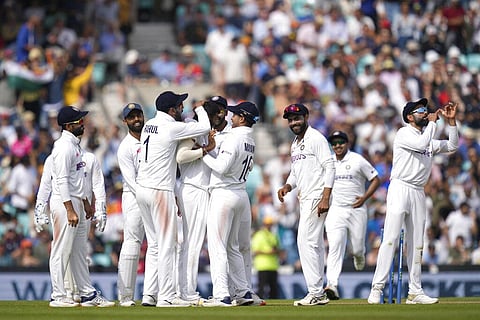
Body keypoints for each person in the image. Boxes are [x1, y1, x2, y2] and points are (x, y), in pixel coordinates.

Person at [367, 98, 459, 305]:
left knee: (417, 242)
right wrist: (435, 122)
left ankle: (415, 291)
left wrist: (451, 122)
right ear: (410, 116)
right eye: (421, 111)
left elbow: (452, 145)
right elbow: (420, 144)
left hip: (418, 191)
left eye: (426, 110)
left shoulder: (427, 137)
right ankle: (377, 288)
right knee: (390, 239)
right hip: (400, 187)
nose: (426, 113)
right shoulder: (403, 133)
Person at [135, 91, 211, 307]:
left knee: (155, 245)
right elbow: (204, 128)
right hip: (160, 190)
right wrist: (199, 109)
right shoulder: (172, 127)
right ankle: (167, 297)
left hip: (143, 189)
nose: (182, 109)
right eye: (180, 106)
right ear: (171, 110)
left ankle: (149, 294)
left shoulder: (150, 123)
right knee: (167, 244)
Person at [42, 106, 113, 307]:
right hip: (65, 203)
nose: (83, 124)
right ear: (68, 125)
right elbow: (62, 180)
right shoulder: (64, 147)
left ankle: (86, 293)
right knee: (61, 250)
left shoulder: (74, 146)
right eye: (79, 121)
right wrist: (70, 209)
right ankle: (58, 295)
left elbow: (76, 180)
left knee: (79, 251)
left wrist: (85, 203)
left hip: (77, 202)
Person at [202, 101, 260, 307]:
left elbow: (222, 167)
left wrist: (204, 152)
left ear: (242, 118)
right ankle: (243, 292)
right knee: (232, 247)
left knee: (217, 247)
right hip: (240, 194)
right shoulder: (250, 140)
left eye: (234, 115)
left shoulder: (234, 138)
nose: (230, 117)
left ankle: (221, 295)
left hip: (224, 193)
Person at [277, 103, 334, 306]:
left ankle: (316, 292)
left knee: (304, 241)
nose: (294, 123)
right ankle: (319, 291)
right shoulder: (295, 142)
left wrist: (325, 197)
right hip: (306, 197)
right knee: (315, 244)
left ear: (306, 116)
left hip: (317, 196)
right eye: (291, 120)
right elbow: (296, 170)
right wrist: (288, 186)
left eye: (297, 118)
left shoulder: (316, 138)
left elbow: (330, 166)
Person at [323, 130, 380, 300]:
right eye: (334, 143)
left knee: (356, 247)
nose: (337, 146)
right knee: (335, 246)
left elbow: (375, 179)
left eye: (340, 142)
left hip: (357, 209)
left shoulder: (357, 160)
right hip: (336, 210)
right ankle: (331, 284)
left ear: (347, 143)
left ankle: (359, 254)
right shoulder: (328, 162)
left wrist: (365, 198)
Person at [175, 99, 220, 306]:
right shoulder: (193, 127)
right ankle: (187, 291)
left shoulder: (200, 130)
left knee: (192, 243)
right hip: (193, 189)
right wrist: (205, 149)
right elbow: (181, 157)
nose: (219, 118)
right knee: (192, 243)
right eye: (215, 115)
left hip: (198, 190)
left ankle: (182, 289)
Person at [116, 103, 146, 307]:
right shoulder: (125, 147)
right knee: (132, 243)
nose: (136, 120)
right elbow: (131, 180)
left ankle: (160, 294)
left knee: (159, 245)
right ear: (125, 121)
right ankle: (125, 296)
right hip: (135, 197)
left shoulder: (151, 139)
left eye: (139, 115)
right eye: (132, 117)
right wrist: (148, 197)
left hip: (153, 195)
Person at [251, 215, 281, 299]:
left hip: (273, 266)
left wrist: (275, 251)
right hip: (262, 266)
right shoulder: (259, 235)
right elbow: (255, 251)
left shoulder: (273, 235)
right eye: (267, 224)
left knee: (274, 290)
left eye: (270, 224)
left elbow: (278, 248)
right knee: (261, 288)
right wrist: (268, 252)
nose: (269, 226)